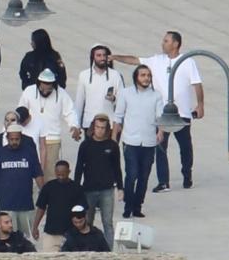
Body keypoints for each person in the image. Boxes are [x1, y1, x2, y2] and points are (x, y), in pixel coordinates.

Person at [114, 31, 204, 192]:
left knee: (185, 146)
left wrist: (200, 105)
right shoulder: (156, 60)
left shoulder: (187, 61)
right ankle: (164, 181)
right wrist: (115, 57)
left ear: (175, 44)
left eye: (166, 41)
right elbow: (135, 60)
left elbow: (196, 84)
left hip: (181, 113)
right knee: (160, 147)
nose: (162, 43)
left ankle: (187, 174)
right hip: (161, 113)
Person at [116, 65, 164, 219]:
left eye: (148, 75)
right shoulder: (126, 93)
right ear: (136, 77)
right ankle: (128, 205)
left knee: (144, 176)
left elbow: (160, 117)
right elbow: (118, 116)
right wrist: (113, 137)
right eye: (143, 75)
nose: (146, 78)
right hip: (131, 141)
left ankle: (138, 206)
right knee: (132, 174)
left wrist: (161, 131)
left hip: (149, 142)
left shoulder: (156, 95)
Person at [18, 68, 81, 182]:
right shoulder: (29, 91)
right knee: (28, 174)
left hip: (52, 139)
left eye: (49, 88)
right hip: (31, 139)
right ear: (38, 83)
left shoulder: (61, 93)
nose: (46, 91)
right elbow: (21, 111)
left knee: (50, 176)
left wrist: (74, 126)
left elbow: (70, 111)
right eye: (43, 88)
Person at [74, 114, 123, 240]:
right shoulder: (85, 145)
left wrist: (120, 188)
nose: (100, 130)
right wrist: (75, 188)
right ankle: (88, 248)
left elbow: (117, 168)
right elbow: (79, 168)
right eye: (97, 127)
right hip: (89, 189)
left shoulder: (112, 146)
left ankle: (109, 252)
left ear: (107, 129)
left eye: (103, 128)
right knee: (87, 222)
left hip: (107, 190)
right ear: (93, 127)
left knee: (108, 223)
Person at [0, 124, 44, 235]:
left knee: (27, 238)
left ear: (21, 138)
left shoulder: (30, 152)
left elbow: (38, 174)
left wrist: (43, 193)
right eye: (12, 139)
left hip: (26, 205)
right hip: (6, 205)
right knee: (8, 236)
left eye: (17, 139)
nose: (14, 142)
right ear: (7, 138)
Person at [32, 161, 87, 252]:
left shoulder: (77, 188)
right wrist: (35, 227)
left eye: (63, 174)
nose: (60, 177)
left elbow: (83, 210)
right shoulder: (48, 187)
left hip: (71, 233)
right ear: (55, 172)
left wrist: (84, 229)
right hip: (51, 233)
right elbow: (41, 208)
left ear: (69, 172)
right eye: (58, 174)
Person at [73, 44, 125, 138]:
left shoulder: (115, 75)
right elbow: (79, 102)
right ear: (93, 57)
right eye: (98, 55)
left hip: (110, 125)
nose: (102, 58)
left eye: (104, 55)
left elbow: (123, 100)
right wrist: (76, 125)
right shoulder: (84, 75)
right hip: (89, 124)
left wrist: (114, 99)